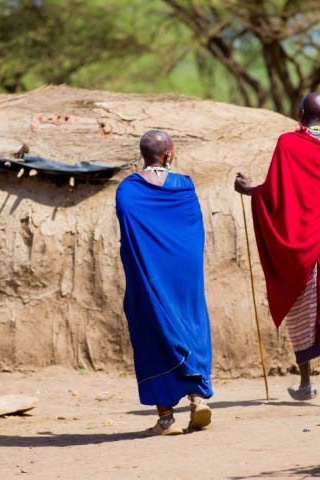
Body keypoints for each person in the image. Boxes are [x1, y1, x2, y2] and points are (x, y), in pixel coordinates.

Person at [233, 93, 320, 407]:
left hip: (299, 238)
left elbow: (276, 193)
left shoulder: (287, 143)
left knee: (299, 300)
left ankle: (306, 383)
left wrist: (250, 189)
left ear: (301, 111)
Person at [115, 129, 213, 436]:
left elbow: (130, 230)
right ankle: (197, 398)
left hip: (148, 275)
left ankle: (167, 420)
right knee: (191, 324)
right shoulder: (184, 185)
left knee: (151, 330)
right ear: (168, 154)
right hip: (185, 274)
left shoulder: (128, 188)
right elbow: (194, 232)